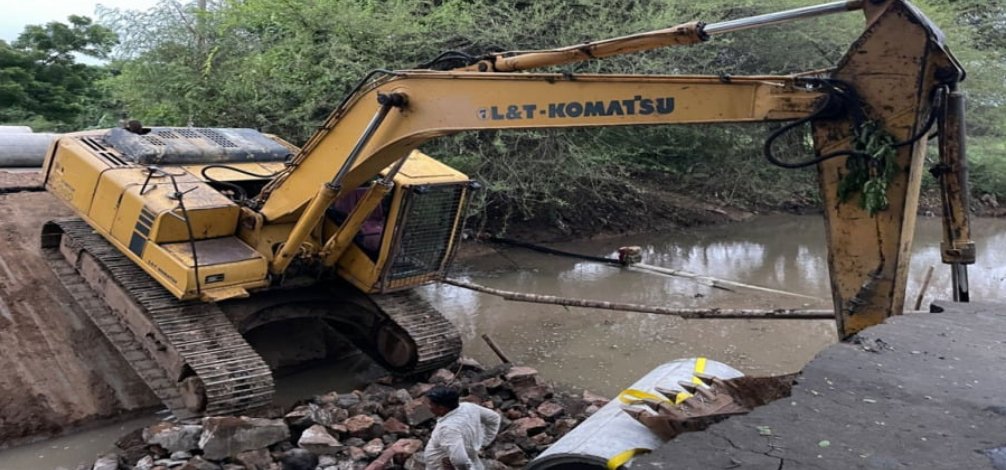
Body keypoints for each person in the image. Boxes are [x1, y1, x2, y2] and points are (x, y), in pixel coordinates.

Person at [423, 385, 501, 470]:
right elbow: (494, 418)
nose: (428, 407)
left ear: (441, 408)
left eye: (431, 404)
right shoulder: (468, 407)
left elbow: (460, 461)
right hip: (469, 458)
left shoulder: (448, 428)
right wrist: (483, 442)